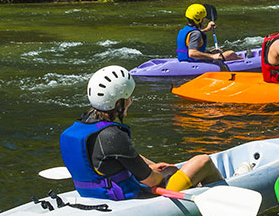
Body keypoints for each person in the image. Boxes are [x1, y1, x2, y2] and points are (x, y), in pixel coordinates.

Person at [60, 65, 223, 200]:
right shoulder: (112, 135)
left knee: (164, 169)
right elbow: (151, 181)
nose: (131, 101)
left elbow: (112, 158)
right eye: (129, 97)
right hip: (131, 198)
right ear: (119, 103)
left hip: (95, 195)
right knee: (203, 161)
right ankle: (221, 197)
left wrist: (151, 165)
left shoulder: (75, 130)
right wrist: (165, 172)